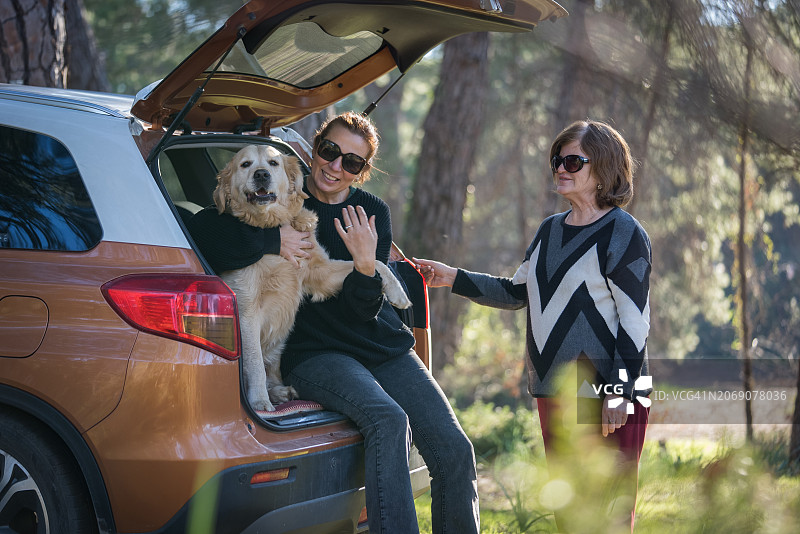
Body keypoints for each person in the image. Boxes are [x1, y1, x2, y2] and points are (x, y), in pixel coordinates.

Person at [190, 111, 479, 534]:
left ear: (362, 171)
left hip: (381, 345)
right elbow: (206, 230)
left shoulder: (372, 211)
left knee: (454, 448)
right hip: (318, 354)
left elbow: (362, 311)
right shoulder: (284, 198)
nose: (335, 166)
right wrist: (273, 239)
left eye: (352, 162)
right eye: (330, 151)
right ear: (314, 149)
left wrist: (366, 263)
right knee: (388, 420)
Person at [414, 119, 651, 532]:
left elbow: (635, 321)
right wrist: (451, 276)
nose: (560, 168)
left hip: (606, 395)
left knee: (606, 515)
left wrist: (619, 392)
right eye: (557, 160)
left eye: (573, 161)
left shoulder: (624, 232)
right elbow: (516, 292)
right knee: (569, 515)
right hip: (554, 391)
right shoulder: (549, 230)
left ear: (604, 168)